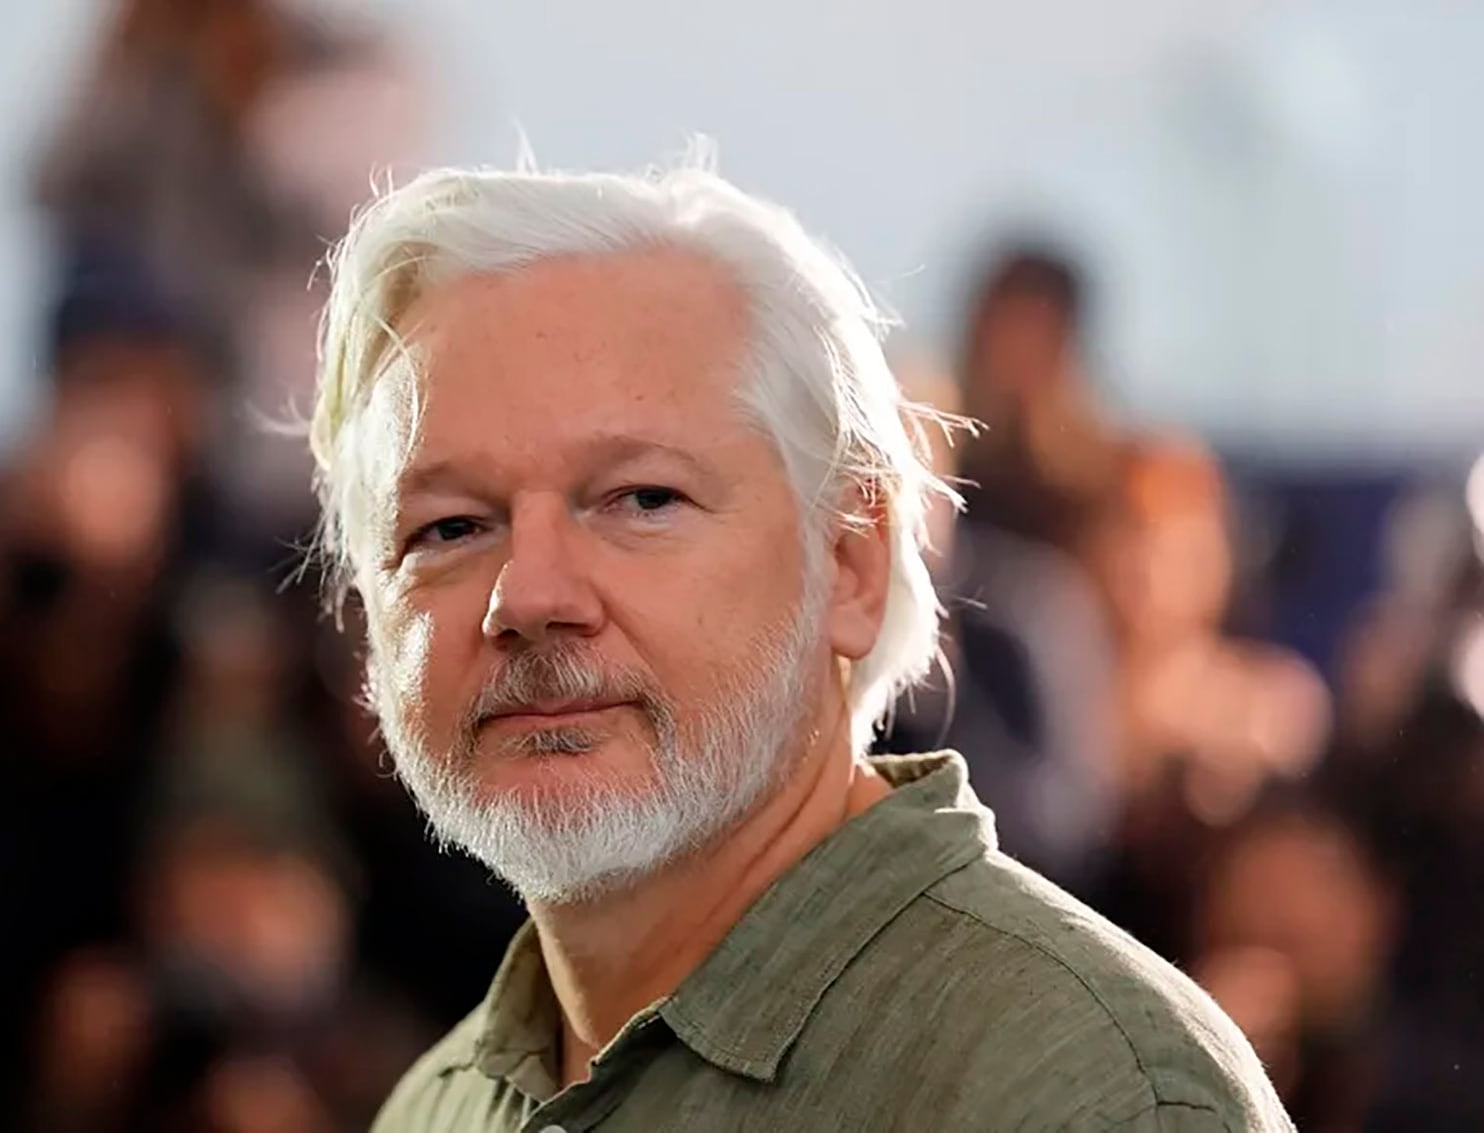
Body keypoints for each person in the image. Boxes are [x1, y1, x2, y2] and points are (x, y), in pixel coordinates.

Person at [302, 153, 1293, 1131]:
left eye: (642, 498)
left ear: (851, 564)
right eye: (448, 527)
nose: (527, 595)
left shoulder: (1096, 1095)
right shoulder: (435, 1107)